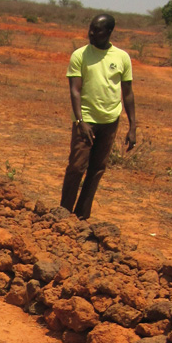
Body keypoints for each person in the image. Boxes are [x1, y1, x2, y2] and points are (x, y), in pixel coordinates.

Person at [60, 13, 136, 220]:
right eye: (90, 28)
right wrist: (80, 121)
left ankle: (82, 215)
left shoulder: (122, 57)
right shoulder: (80, 55)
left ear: (109, 32)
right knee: (76, 167)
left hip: (110, 120)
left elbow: (127, 92)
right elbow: (75, 90)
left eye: (97, 30)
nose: (91, 33)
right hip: (86, 120)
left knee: (97, 169)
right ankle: (63, 214)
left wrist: (132, 127)